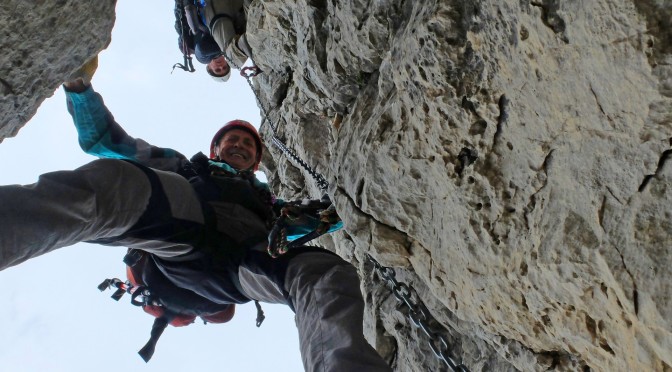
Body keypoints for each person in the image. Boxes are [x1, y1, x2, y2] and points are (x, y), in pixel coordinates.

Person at [0, 61, 391, 371]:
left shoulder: (272, 207)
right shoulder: (184, 167)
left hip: (240, 265)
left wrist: (358, 201)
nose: (239, 144)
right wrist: (79, 86)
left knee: (325, 273)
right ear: (216, 148)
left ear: (255, 161)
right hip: (185, 245)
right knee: (120, 184)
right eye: (231, 140)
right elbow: (105, 142)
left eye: (247, 144)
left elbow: (321, 220)